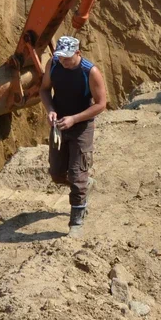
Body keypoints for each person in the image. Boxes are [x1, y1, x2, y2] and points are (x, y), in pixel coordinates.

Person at [39, 35, 107, 234]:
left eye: (67, 58)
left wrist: (75, 119)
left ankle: (76, 222)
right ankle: (85, 184)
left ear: (78, 53)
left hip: (81, 127)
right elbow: (44, 90)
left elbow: (101, 104)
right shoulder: (53, 64)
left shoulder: (90, 71)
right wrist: (50, 109)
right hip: (59, 125)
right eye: (60, 57)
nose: (63, 61)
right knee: (57, 174)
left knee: (77, 176)